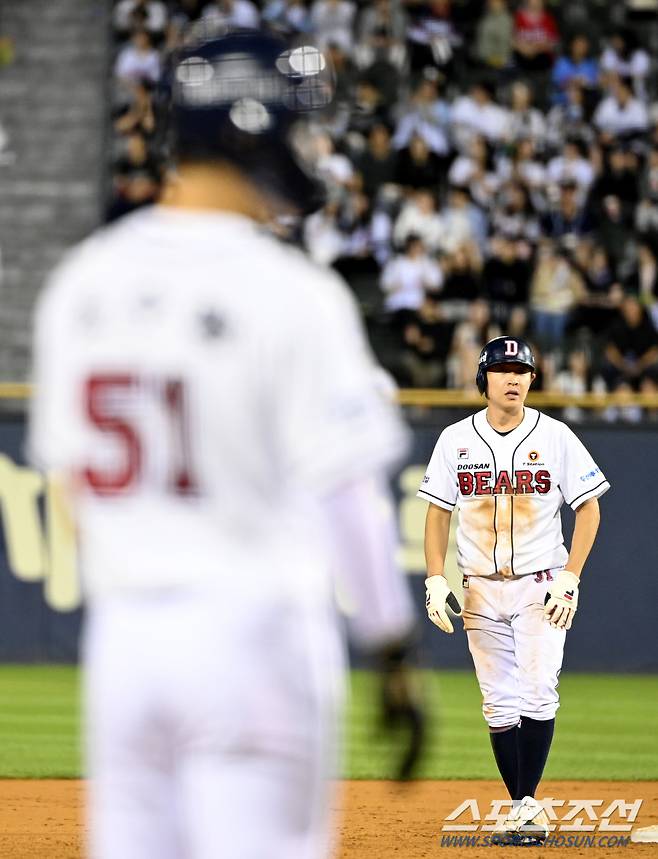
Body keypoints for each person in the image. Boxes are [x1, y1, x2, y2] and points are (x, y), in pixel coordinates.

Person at [29, 30, 424, 859]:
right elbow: (347, 493)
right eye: (301, 122)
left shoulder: (82, 282)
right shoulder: (292, 292)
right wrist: (391, 647)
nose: (312, 143)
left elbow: (67, 486)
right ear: (253, 127)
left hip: (126, 646)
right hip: (256, 632)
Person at [418, 335, 609, 845]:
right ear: (484, 380)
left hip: (541, 584)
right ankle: (523, 805)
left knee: (539, 689)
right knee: (498, 704)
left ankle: (524, 807)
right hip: (479, 588)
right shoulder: (456, 438)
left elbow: (588, 507)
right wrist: (435, 577)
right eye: (503, 370)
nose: (513, 378)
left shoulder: (557, 437)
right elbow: (438, 514)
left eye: (521, 370)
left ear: (531, 379)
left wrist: (571, 575)